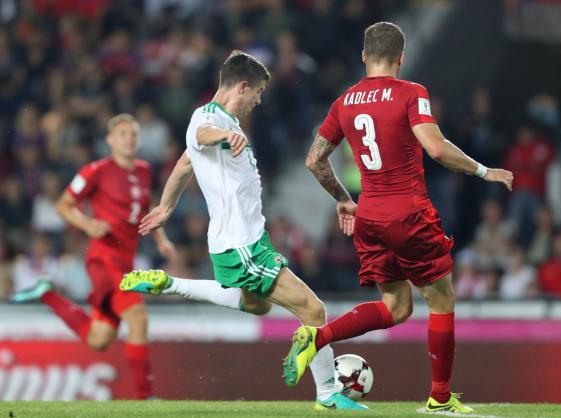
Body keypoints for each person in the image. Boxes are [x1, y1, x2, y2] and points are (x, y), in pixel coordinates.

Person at [283, 22, 514, 414]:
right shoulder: (411, 93)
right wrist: (483, 171)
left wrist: (343, 198)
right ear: (401, 57)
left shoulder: (345, 101)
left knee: (396, 306)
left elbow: (313, 159)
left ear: (363, 56)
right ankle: (439, 400)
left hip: (369, 216)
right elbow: (436, 149)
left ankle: (317, 337)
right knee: (441, 299)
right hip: (408, 213)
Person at [118, 50, 366, 411]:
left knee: (258, 306)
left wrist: (167, 206)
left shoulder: (226, 123)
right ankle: (328, 394)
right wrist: (223, 137)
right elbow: (201, 135)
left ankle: (168, 283)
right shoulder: (209, 119)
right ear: (243, 86)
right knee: (314, 310)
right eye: (258, 92)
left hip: (244, 240)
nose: (259, 100)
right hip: (242, 244)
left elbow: (186, 162)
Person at [11, 114, 176, 399]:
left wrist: (161, 239)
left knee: (99, 339)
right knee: (138, 318)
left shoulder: (145, 170)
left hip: (126, 262)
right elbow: (64, 205)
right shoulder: (95, 170)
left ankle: (47, 293)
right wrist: (87, 224)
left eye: (133, 134)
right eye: (122, 134)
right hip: (103, 260)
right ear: (110, 140)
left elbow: (146, 206)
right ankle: (145, 398)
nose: (129, 138)